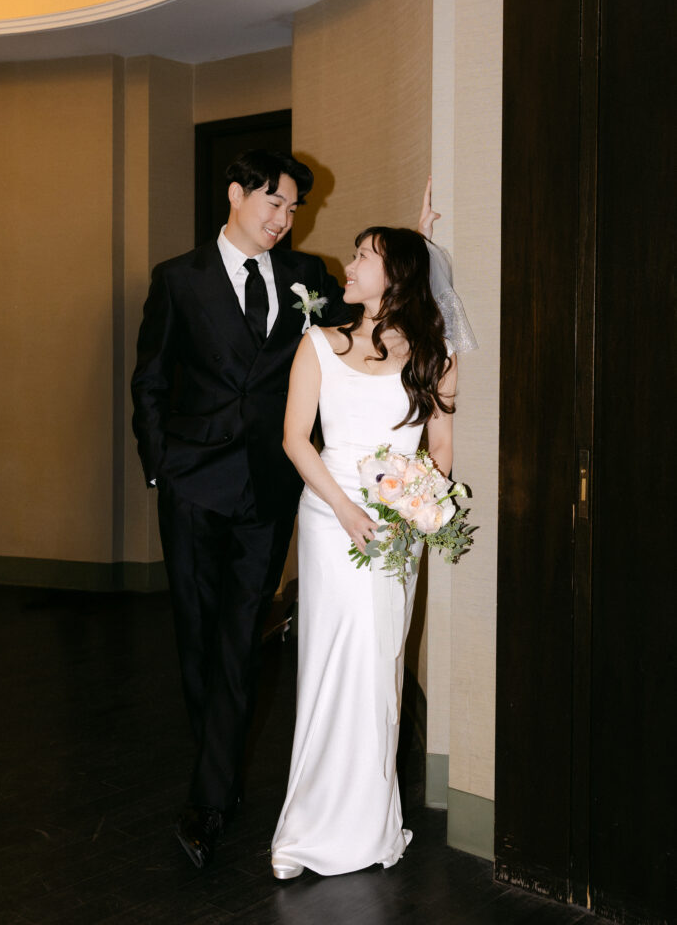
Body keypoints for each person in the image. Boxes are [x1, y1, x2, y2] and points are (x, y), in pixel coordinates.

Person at [131, 150, 347, 869]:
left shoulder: (307, 279)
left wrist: (413, 249)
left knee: (238, 633)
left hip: (267, 482)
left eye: (294, 210)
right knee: (196, 635)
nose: (285, 221)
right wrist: (162, 468)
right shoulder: (177, 279)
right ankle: (217, 765)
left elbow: (358, 331)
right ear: (235, 194)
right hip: (194, 481)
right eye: (274, 204)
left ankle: (209, 798)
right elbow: (150, 380)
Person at [271, 182, 476, 878]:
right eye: (356, 254)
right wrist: (348, 510)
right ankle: (303, 833)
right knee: (329, 666)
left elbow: (439, 451)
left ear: (395, 277)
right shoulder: (319, 344)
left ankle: (370, 829)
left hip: (393, 530)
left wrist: (407, 507)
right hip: (330, 520)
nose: (350, 265)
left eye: (365, 256)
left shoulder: (430, 353)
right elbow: (296, 441)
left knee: (379, 666)